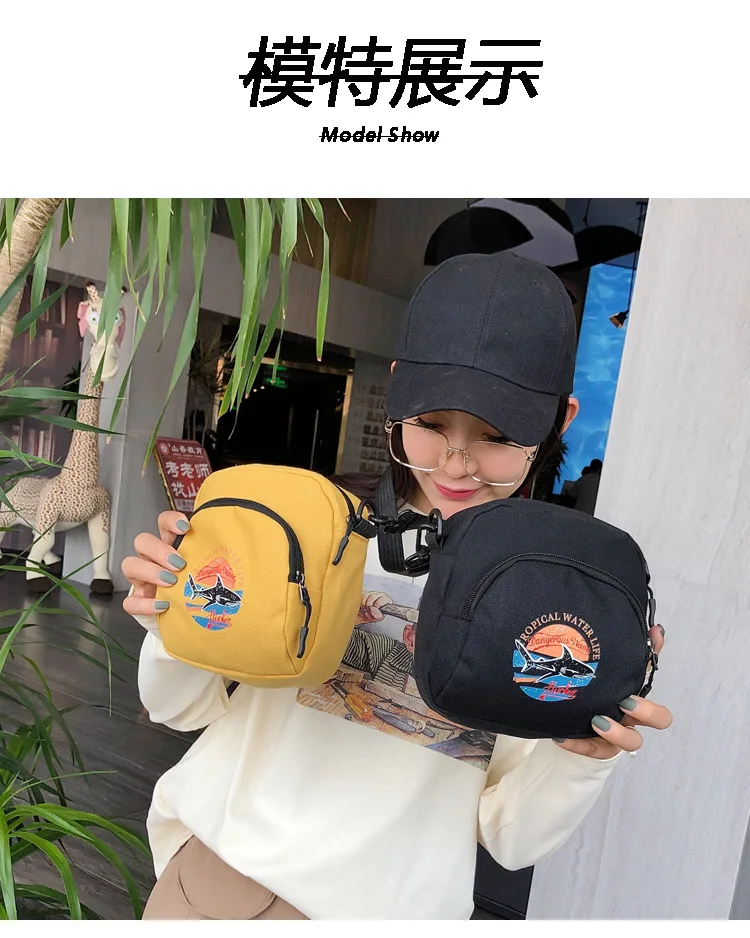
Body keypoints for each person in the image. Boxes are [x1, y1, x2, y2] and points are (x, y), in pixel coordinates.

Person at [122, 252, 672, 920]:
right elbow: (181, 708)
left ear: (558, 422)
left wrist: (584, 753)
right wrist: (169, 616)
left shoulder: (553, 599)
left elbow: (512, 838)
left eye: (496, 436)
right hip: (221, 885)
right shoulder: (310, 525)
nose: (456, 464)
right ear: (397, 394)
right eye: (432, 425)